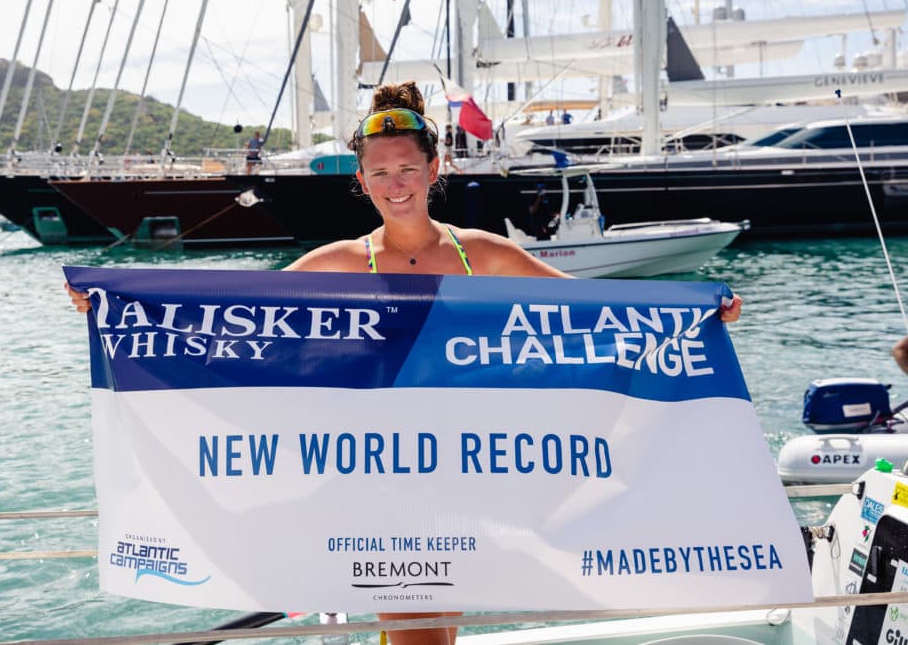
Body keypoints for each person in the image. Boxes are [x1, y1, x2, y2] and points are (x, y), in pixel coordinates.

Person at [65, 80, 743, 643]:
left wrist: (695, 316)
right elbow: (231, 328)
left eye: (408, 168)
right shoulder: (336, 265)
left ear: (434, 170)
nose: (396, 183)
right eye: (381, 171)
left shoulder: (486, 255)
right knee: (419, 634)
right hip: (381, 490)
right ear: (362, 179)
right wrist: (121, 311)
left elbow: (598, 320)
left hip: (474, 477)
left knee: (438, 634)